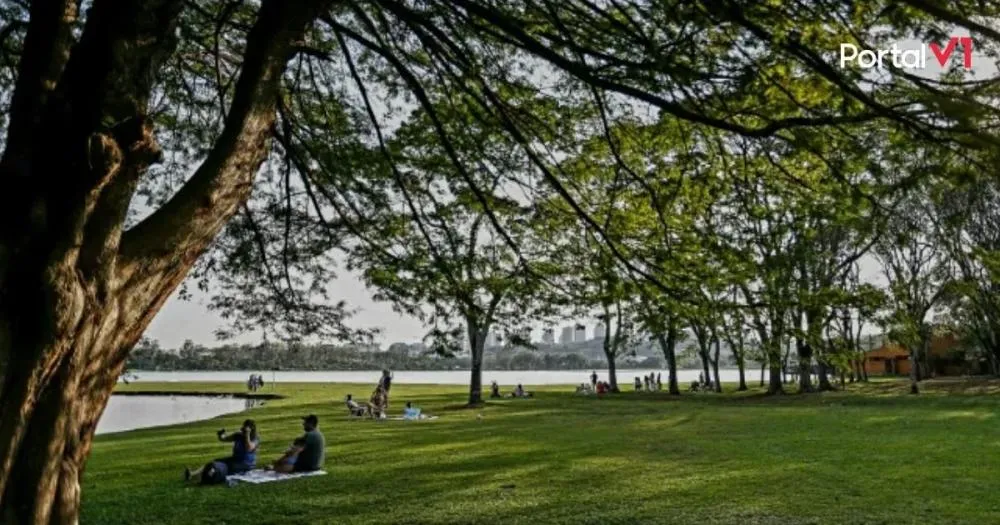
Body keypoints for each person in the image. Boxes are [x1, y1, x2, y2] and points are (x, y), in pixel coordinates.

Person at [184, 419, 259, 482]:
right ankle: (192, 474)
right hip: (235, 459)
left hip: (246, 463)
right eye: (243, 426)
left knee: (225, 466)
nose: (243, 429)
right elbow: (224, 439)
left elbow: (249, 448)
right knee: (215, 462)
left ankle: (202, 477)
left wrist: (247, 435)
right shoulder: (238, 435)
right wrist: (220, 434)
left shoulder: (255, 438)